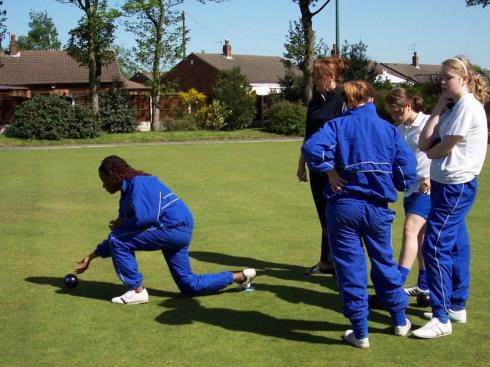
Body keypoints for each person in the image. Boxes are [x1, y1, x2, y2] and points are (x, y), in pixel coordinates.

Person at [302, 80, 417, 348]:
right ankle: (400, 320)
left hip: (342, 207)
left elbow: (311, 149)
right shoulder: (388, 129)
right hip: (377, 208)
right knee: (384, 263)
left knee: (350, 270)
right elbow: (406, 168)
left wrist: (329, 170)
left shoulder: (337, 125)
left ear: (346, 102)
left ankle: (361, 332)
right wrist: (397, 183)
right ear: (372, 100)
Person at [75, 155, 257, 304]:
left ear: (114, 176)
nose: (103, 185)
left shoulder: (139, 183)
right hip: (176, 232)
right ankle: (241, 277)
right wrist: (92, 256)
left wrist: (123, 222)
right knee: (188, 285)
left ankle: (137, 291)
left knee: (117, 239)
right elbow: (126, 232)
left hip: (172, 228)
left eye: (104, 180)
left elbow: (144, 219)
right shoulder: (127, 193)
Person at [414, 56, 488, 338]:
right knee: (457, 242)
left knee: (434, 246)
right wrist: (437, 109)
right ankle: (456, 305)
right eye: (441, 77)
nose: (443, 82)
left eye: (448, 78)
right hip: (445, 184)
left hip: (457, 185)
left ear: (464, 79)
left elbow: (440, 148)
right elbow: (424, 142)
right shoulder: (452, 107)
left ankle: (442, 316)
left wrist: (432, 152)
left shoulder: (468, 107)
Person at [296, 55, 349, 276]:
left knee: (336, 217)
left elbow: (344, 137)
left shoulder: (343, 100)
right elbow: (309, 135)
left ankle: (342, 266)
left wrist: (333, 171)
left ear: (332, 76)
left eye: (320, 76)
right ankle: (327, 263)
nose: (316, 79)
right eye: (315, 76)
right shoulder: (316, 101)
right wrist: (301, 164)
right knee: (324, 216)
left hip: (335, 170)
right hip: (316, 167)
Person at [385, 88, 431, 296]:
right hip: (410, 189)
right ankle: (424, 284)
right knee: (420, 237)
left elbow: (446, 151)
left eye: (397, 112)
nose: (395, 117)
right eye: (392, 113)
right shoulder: (400, 129)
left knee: (409, 230)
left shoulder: (429, 123)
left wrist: (431, 177)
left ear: (408, 106)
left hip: (429, 187)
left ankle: (395, 286)